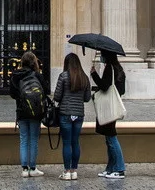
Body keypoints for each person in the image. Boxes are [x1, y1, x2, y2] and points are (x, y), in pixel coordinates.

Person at [8, 51, 49, 178]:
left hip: (21, 111)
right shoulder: (37, 75)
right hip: (35, 112)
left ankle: (24, 169)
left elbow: (12, 94)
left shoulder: (16, 75)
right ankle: (33, 168)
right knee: (33, 140)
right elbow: (46, 91)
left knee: (24, 139)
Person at [53, 52, 91, 181]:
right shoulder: (84, 77)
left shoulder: (63, 76)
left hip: (65, 114)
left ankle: (67, 171)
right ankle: (74, 170)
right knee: (75, 142)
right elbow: (87, 98)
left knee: (67, 143)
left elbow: (57, 96)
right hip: (79, 114)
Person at [91, 50, 127, 178]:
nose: (101, 57)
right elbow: (121, 90)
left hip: (108, 107)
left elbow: (105, 86)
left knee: (111, 137)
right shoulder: (119, 69)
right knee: (109, 137)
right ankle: (111, 168)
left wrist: (94, 75)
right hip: (113, 106)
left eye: (102, 55)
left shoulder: (109, 68)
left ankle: (119, 168)